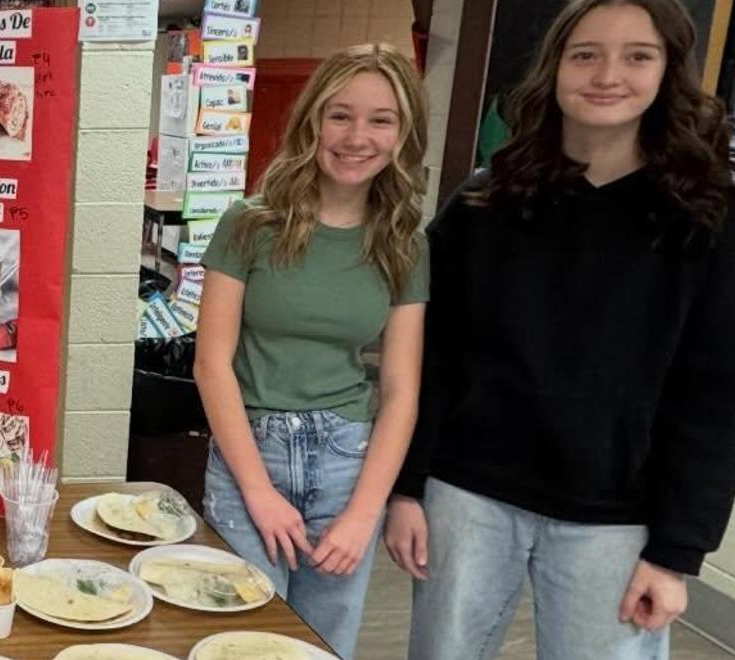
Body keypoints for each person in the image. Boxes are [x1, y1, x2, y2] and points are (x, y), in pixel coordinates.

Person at [385, 1, 735, 658]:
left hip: (618, 517)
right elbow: (433, 358)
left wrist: (677, 552)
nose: (606, 73)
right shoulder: (488, 201)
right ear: (555, 66)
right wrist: (408, 486)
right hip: (469, 492)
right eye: (585, 53)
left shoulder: (704, 219)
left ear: (668, 70)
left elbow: (716, 399)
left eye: (637, 55)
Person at [193, 43, 429, 659]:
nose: (357, 136)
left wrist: (363, 514)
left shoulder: (404, 242)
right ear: (312, 122)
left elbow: (402, 389)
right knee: (237, 638)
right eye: (340, 115)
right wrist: (258, 491)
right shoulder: (249, 224)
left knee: (324, 646)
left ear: (403, 135)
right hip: (252, 454)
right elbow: (211, 363)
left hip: (346, 466)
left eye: (381, 119)